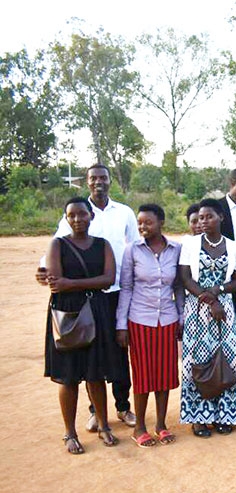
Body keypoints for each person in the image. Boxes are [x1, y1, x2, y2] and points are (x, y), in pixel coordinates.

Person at [37, 164, 138, 432]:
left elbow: (136, 245)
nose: (98, 182)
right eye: (93, 178)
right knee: (88, 352)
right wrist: (44, 270)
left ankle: (123, 406)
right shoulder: (76, 210)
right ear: (88, 182)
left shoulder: (124, 212)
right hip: (85, 299)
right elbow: (58, 243)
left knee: (118, 352)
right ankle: (95, 412)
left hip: (116, 291)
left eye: (103, 178)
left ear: (109, 182)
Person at [45, 197, 123, 453]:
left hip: (96, 313)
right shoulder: (57, 244)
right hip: (67, 315)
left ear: (91, 216)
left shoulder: (103, 245)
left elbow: (109, 279)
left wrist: (72, 284)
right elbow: (56, 281)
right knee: (67, 377)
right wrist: (86, 283)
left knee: (95, 373)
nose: (77, 219)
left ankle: (103, 425)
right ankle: (69, 433)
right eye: (72, 216)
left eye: (82, 214)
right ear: (66, 219)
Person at [178, 199, 236, 437]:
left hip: (224, 310)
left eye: (208, 217)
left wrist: (218, 292)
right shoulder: (189, 244)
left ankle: (224, 414)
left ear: (221, 218)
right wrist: (210, 300)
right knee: (199, 360)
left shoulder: (235, 247)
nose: (203, 222)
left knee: (227, 360)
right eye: (199, 218)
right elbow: (186, 279)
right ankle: (198, 418)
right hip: (198, 309)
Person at [116, 204, 183, 447]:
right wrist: (121, 325)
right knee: (143, 375)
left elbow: (178, 287)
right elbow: (126, 288)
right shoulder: (132, 250)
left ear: (161, 222)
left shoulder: (176, 249)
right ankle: (140, 427)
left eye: (148, 222)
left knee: (165, 374)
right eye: (140, 223)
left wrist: (181, 317)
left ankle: (161, 425)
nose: (143, 227)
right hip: (139, 320)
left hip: (167, 318)